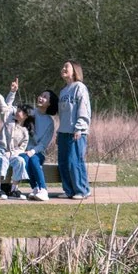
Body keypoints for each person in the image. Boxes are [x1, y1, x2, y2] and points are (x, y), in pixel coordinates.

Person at [0, 76, 34, 200]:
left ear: (26, 116)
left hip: (12, 154)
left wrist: (12, 153)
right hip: (0, 151)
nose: (18, 112)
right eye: (18, 110)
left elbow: (22, 148)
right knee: (3, 160)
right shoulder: (8, 119)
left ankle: (14, 189)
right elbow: (4, 104)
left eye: (22, 112)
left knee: (20, 161)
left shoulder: (25, 132)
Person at [57, 60, 91, 199]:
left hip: (76, 132)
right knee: (63, 162)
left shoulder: (80, 87)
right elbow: (63, 114)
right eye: (63, 66)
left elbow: (83, 108)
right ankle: (69, 190)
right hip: (63, 131)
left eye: (67, 67)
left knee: (74, 161)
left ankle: (82, 190)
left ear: (75, 70)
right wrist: (59, 132)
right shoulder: (63, 91)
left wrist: (80, 127)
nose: (63, 68)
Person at [21, 89, 59, 202]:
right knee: (24, 159)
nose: (41, 98)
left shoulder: (50, 122)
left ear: (49, 103)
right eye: (41, 95)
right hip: (23, 150)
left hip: (38, 153)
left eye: (45, 97)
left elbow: (43, 145)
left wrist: (32, 151)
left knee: (33, 159)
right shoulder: (30, 113)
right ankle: (36, 188)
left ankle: (43, 189)